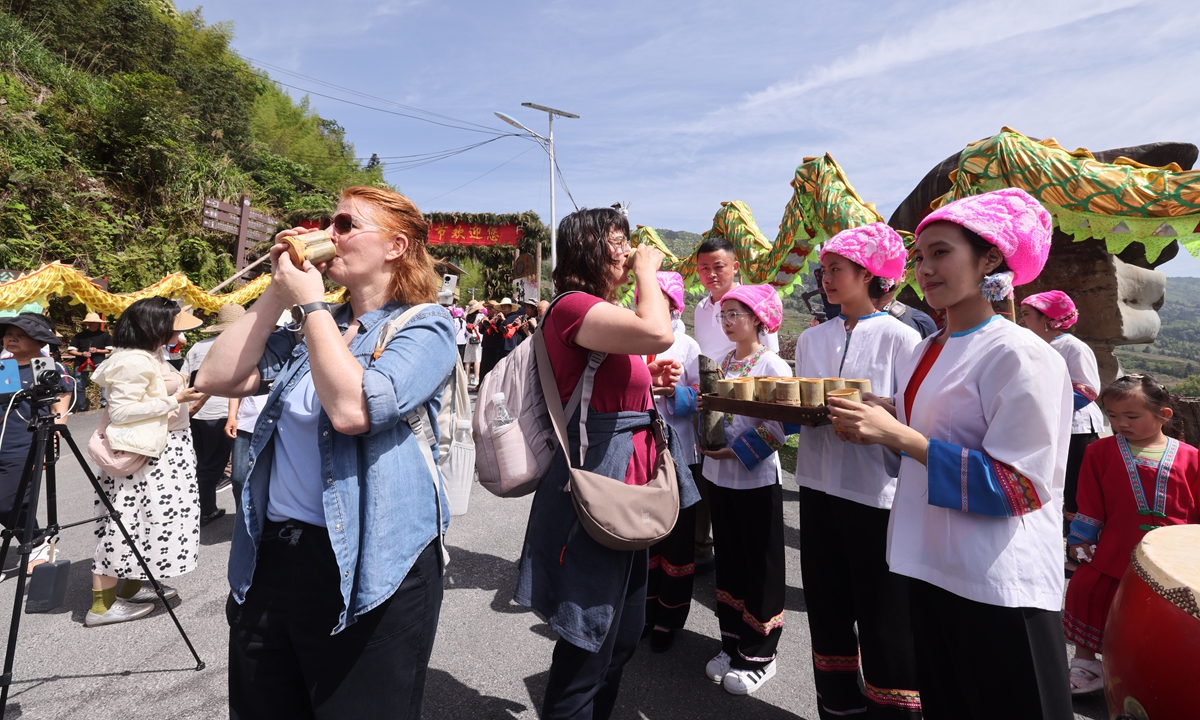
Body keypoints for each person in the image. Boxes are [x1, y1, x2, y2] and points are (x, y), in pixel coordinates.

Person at [196, 186, 456, 719]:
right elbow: (216, 376)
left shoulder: (427, 325)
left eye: (345, 225)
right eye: (328, 223)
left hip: (372, 564)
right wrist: (276, 292)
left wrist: (310, 302)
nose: (327, 234)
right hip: (273, 554)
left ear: (396, 246)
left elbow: (353, 411)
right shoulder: (317, 326)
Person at [827, 188, 1074, 719]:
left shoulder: (1020, 353)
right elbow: (942, 424)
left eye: (941, 252)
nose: (925, 269)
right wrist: (887, 410)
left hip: (997, 584)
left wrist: (897, 435)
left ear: (990, 259)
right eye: (919, 257)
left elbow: (1021, 485)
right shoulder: (927, 347)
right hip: (930, 563)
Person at [513, 206, 691, 720]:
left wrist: (649, 380)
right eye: (617, 242)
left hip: (629, 490)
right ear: (587, 248)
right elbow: (658, 331)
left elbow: (610, 385)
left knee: (623, 637)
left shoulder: (599, 312)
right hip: (598, 489)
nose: (627, 250)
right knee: (587, 645)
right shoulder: (572, 306)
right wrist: (646, 272)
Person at [794, 223, 923, 718]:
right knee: (826, 602)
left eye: (837, 269)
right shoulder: (813, 339)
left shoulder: (902, 339)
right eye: (824, 269)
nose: (826, 278)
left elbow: (914, 420)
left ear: (871, 275)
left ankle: (894, 709)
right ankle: (838, 706)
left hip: (878, 494)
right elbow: (803, 404)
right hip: (816, 484)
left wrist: (883, 415)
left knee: (882, 610)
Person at [1062, 374, 1199, 694]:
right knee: (1089, 591)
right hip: (1115, 550)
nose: (1120, 423)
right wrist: (1080, 540)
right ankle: (1087, 663)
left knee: (1167, 614)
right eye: (1112, 416)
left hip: (1173, 556)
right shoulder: (1099, 452)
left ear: (1163, 415)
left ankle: (1159, 670)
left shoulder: (1190, 457)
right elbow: (1090, 502)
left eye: (1131, 416)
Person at [696, 283, 792, 696]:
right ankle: (731, 642)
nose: (728, 320)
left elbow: (780, 429)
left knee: (762, 566)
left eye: (736, 313)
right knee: (731, 560)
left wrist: (732, 454)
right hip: (719, 480)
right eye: (725, 314)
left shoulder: (773, 366)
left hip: (754, 479)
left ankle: (760, 655)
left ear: (758, 319)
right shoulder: (717, 362)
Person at [89, 297, 204, 627]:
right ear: (154, 328)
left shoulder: (150, 354)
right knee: (125, 524)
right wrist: (176, 398)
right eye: (172, 328)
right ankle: (102, 606)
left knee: (149, 523)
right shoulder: (132, 361)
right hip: (148, 457)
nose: (179, 337)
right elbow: (122, 412)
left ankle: (132, 586)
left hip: (165, 451)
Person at [1019, 290, 1104, 563]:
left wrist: (1046, 408)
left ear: (1049, 319)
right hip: (1050, 426)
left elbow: (1088, 389)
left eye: (1026, 315)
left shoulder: (1072, 347)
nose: (1022, 321)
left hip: (1076, 428)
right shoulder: (1035, 344)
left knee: (1074, 490)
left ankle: (1078, 550)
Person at [643, 271, 702, 653]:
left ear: (673, 305)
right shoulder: (632, 340)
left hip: (679, 449)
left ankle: (669, 616)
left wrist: (675, 392)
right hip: (642, 450)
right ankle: (644, 611)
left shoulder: (687, 345)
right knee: (646, 534)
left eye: (655, 297)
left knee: (678, 539)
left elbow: (702, 396)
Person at [0, 314, 73, 579]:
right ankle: (33, 541)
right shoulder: (2, 366)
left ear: (38, 340)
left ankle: (37, 540)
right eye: (8, 333)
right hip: (2, 438)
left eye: (19, 334)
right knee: (12, 501)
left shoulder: (48, 367)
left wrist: (52, 440)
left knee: (7, 501)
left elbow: (60, 404)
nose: (11, 338)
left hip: (26, 442)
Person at [180, 303, 245, 527]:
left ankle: (203, 507)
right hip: (221, 411)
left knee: (203, 463)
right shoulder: (236, 346)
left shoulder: (197, 346)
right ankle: (204, 510)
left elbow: (184, 378)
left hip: (196, 414)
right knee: (215, 466)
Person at [65, 312, 111, 411]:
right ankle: (81, 406)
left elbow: (109, 350)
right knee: (79, 384)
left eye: (93, 322)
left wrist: (97, 350)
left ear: (98, 323)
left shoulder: (104, 335)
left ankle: (104, 403)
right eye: (89, 322)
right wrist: (82, 354)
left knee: (104, 382)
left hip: (98, 361)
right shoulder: (80, 336)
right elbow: (71, 350)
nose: (90, 324)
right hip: (81, 362)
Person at [479, 301, 505, 382]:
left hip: (494, 345)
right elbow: (482, 331)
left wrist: (494, 323)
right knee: (483, 365)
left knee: (492, 366)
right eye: (488, 308)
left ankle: (491, 383)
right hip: (486, 344)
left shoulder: (499, 318)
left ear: (495, 309)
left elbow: (499, 332)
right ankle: (481, 383)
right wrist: (480, 326)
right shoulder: (487, 318)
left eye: (490, 308)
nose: (488, 310)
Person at [463, 302, 484, 387]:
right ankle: (476, 378)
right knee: (477, 358)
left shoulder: (468, 317)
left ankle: (467, 378)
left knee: (468, 359)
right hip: (478, 337)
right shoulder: (480, 316)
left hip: (469, 337)